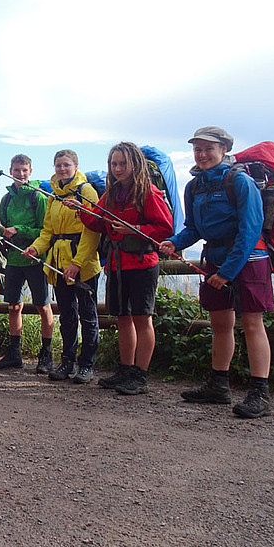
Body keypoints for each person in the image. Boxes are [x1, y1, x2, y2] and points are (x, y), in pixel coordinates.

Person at [160, 126, 274, 418]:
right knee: (220, 323)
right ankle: (219, 385)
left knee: (252, 324)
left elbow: (250, 230)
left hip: (249, 258)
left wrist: (226, 271)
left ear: (224, 149)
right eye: (198, 149)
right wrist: (174, 242)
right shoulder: (195, 187)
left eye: (208, 148)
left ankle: (260, 392)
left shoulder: (240, 181)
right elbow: (195, 229)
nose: (202, 154)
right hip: (216, 257)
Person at [72, 142, 173, 394]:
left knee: (141, 318)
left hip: (142, 263)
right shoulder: (112, 195)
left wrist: (134, 230)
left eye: (122, 164)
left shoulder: (147, 192)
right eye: (114, 164)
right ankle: (125, 369)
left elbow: (165, 228)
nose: (117, 169)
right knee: (123, 319)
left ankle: (140, 375)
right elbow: (97, 222)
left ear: (134, 164)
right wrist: (80, 209)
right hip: (117, 264)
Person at [23, 150, 102, 383]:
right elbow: (48, 230)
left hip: (83, 261)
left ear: (76, 166)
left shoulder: (86, 191)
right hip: (58, 261)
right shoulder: (53, 195)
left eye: (66, 165)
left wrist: (78, 263)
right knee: (67, 314)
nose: (62, 169)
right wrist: (36, 248)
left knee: (88, 314)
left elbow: (93, 229)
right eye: (58, 165)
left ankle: (87, 364)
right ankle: (67, 361)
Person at [0, 154, 54, 372]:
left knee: (42, 305)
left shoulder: (39, 197)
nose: (20, 174)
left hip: (36, 258)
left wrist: (20, 230)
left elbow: (46, 231)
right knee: (14, 305)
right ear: (10, 170)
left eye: (24, 170)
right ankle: (14, 354)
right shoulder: (6, 199)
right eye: (16, 170)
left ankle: (46, 355)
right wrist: (0, 226)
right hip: (15, 259)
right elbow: (6, 232)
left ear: (31, 171)